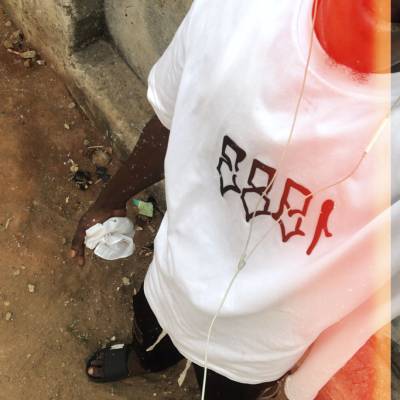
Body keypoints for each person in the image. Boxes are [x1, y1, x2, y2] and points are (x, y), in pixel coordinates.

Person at [71, 0, 400, 399]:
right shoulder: (239, 8)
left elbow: (375, 299)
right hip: (174, 274)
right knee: (151, 327)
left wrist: (303, 383)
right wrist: (110, 199)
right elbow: (171, 116)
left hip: (257, 348)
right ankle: (147, 358)